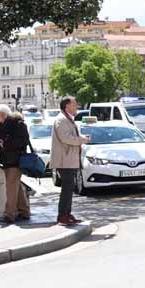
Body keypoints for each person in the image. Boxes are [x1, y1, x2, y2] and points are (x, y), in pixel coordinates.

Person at [0, 105, 31, 224]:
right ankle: (24, 211)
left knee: (11, 189)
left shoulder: (18, 124)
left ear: (3, 114)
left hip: (16, 161)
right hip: (6, 161)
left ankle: (9, 215)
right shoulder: (1, 127)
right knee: (16, 187)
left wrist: (7, 144)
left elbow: (24, 141)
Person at [50, 97, 91, 226]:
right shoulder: (61, 119)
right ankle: (63, 215)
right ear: (67, 106)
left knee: (69, 188)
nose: (77, 106)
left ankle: (66, 214)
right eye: (75, 104)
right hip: (64, 160)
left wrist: (80, 139)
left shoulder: (66, 119)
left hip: (68, 160)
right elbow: (65, 138)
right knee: (67, 189)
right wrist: (81, 139)